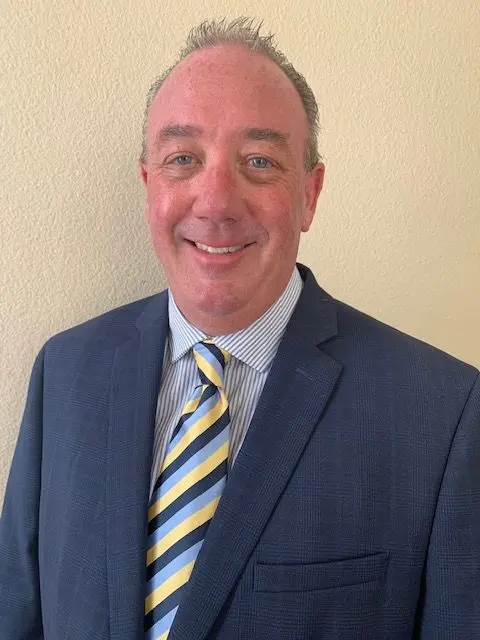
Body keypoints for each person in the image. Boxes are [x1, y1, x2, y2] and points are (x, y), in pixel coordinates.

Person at [0, 17, 479, 640]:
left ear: (310, 193)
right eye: (183, 158)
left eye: (259, 161)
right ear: (149, 186)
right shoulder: (65, 373)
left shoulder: (443, 416)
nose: (217, 201)